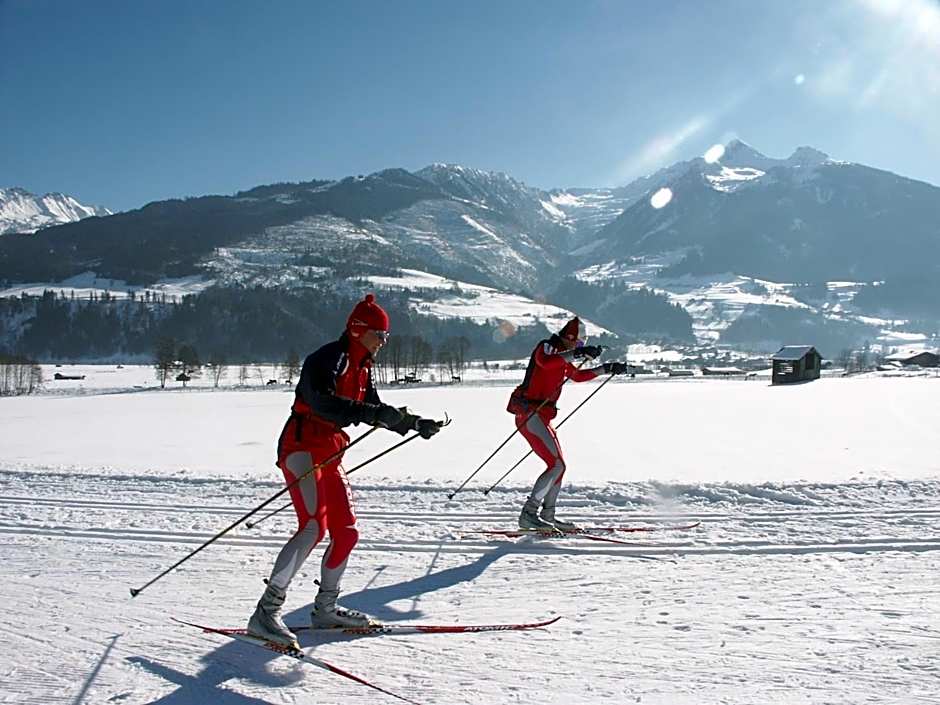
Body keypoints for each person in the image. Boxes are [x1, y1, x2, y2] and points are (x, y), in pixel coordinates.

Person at [247, 294, 442, 648]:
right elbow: (322, 401)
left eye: (385, 336)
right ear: (358, 329)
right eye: (379, 335)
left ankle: (326, 608)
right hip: (301, 447)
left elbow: (374, 407)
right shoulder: (327, 359)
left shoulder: (363, 365)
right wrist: (372, 414)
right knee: (312, 527)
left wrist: (414, 423)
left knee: (346, 532)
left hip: (330, 451)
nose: (383, 342)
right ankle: (265, 613)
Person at [506, 317, 628, 531]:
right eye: (578, 343)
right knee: (556, 465)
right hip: (529, 415)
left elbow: (577, 375)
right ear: (570, 338)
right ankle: (528, 514)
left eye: (581, 345)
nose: (579, 347)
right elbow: (545, 362)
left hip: (541, 417)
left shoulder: (562, 356)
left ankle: (548, 516)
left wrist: (606, 368)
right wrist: (579, 353)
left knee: (559, 468)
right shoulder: (547, 347)